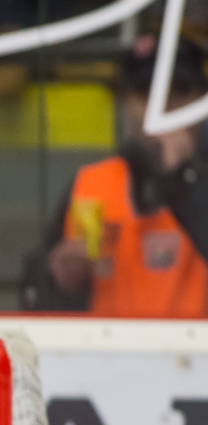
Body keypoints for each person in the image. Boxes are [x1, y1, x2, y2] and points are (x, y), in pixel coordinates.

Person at [24, 38, 208, 316]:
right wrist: (63, 281)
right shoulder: (92, 185)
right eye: (146, 93)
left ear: (200, 100)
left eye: (179, 91)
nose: (163, 108)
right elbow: (34, 302)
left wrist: (185, 177)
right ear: (125, 101)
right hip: (108, 343)